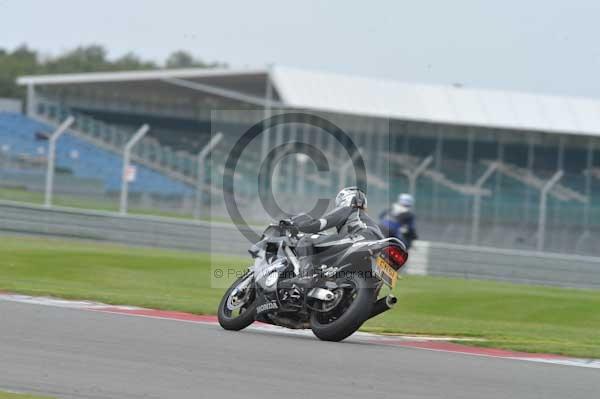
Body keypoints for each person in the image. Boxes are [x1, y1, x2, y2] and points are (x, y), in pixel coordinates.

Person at [279, 187, 383, 276]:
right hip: (379, 246)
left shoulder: (348, 210)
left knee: (306, 241)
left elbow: (317, 225)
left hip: (360, 239)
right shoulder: (368, 220)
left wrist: (298, 221)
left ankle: (306, 276)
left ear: (344, 200)